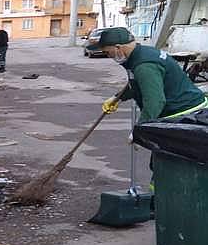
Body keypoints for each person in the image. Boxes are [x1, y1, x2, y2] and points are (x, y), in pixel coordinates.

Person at [89, 27, 208, 200]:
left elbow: (155, 100)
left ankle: (160, 202)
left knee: (166, 161)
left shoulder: (145, 65)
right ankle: (160, 200)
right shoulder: (141, 55)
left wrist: (140, 129)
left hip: (184, 114)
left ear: (118, 47)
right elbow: (137, 85)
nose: (109, 56)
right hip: (184, 109)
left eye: (108, 52)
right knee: (164, 160)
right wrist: (116, 98)